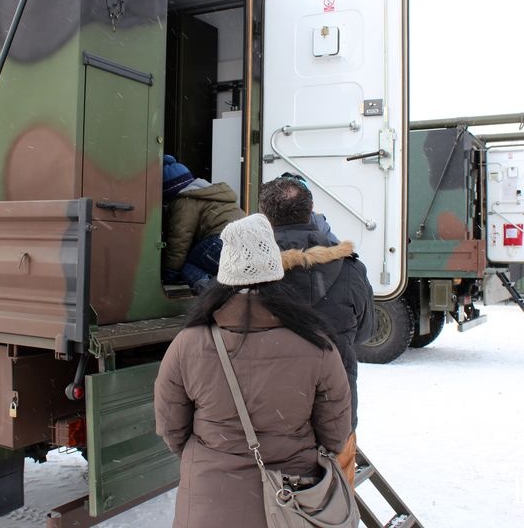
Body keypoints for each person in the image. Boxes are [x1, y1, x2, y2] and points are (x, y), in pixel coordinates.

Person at [154, 214, 352, 528]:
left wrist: (211, 456)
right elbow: (336, 434)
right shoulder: (316, 345)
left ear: (224, 273)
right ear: (276, 270)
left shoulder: (188, 343)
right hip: (290, 502)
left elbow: (171, 428)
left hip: (209, 503)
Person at [258, 175, 375, 485]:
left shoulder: (247, 269)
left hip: (264, 420)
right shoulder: (351, 269)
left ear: (264, 215)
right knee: (335, 506)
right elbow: (364, 334)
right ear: (310, 210)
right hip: (335, 419)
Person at [161, 155, 244, 293]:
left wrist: (170, 273)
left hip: (223, 240)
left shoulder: (185, 200)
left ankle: (213, 295)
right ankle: (233, 293)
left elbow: (179, 241)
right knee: (220, 269)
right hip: (247, 242)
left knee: (189, 266)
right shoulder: (212, 194)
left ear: (169, 192)